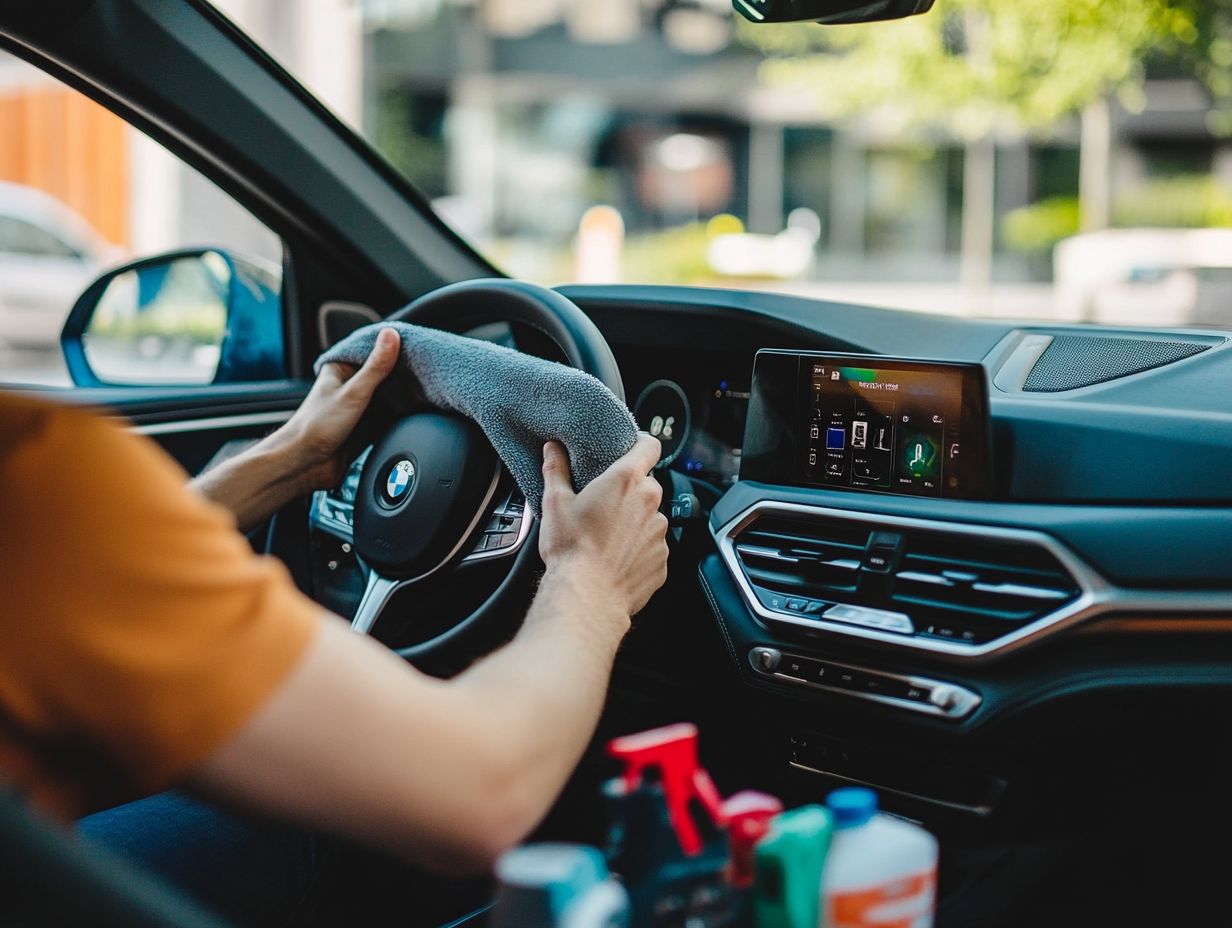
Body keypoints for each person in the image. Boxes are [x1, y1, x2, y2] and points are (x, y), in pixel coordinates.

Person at [0, 327, 670, 922]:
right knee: (319, 817)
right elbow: (485, 792)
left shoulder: (37, 491)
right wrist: (593, 580)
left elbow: (86, 573)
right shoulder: (37, 471)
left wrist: (291, 456)